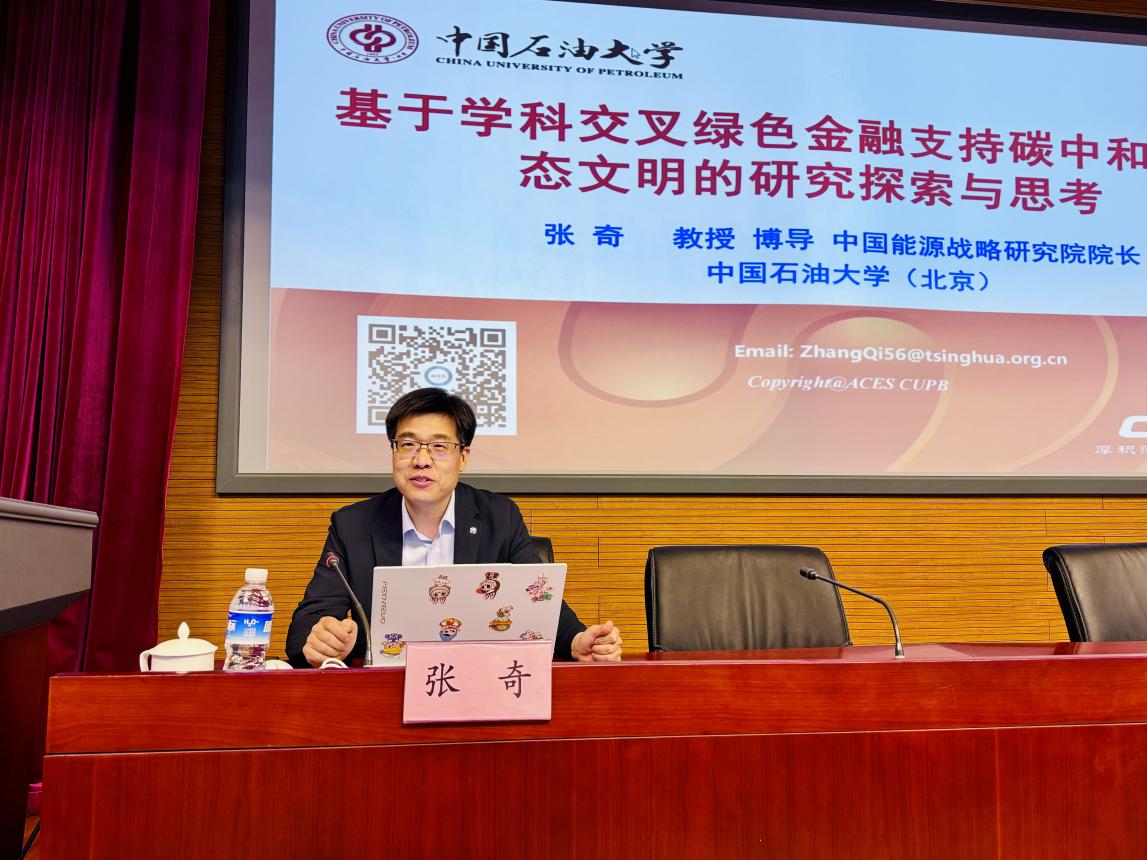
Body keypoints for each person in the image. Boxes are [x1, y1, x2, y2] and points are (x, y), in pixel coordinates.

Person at [286, 387, 623, 667]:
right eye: (407, 444)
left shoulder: (499, 516)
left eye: (439, 447)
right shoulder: (353, 524)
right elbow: (307, 625)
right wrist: (320, 640)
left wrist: (577, 640)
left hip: (478, 683)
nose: (421, 460)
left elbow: (537, 601)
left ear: (463, 456)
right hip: (385, 690)